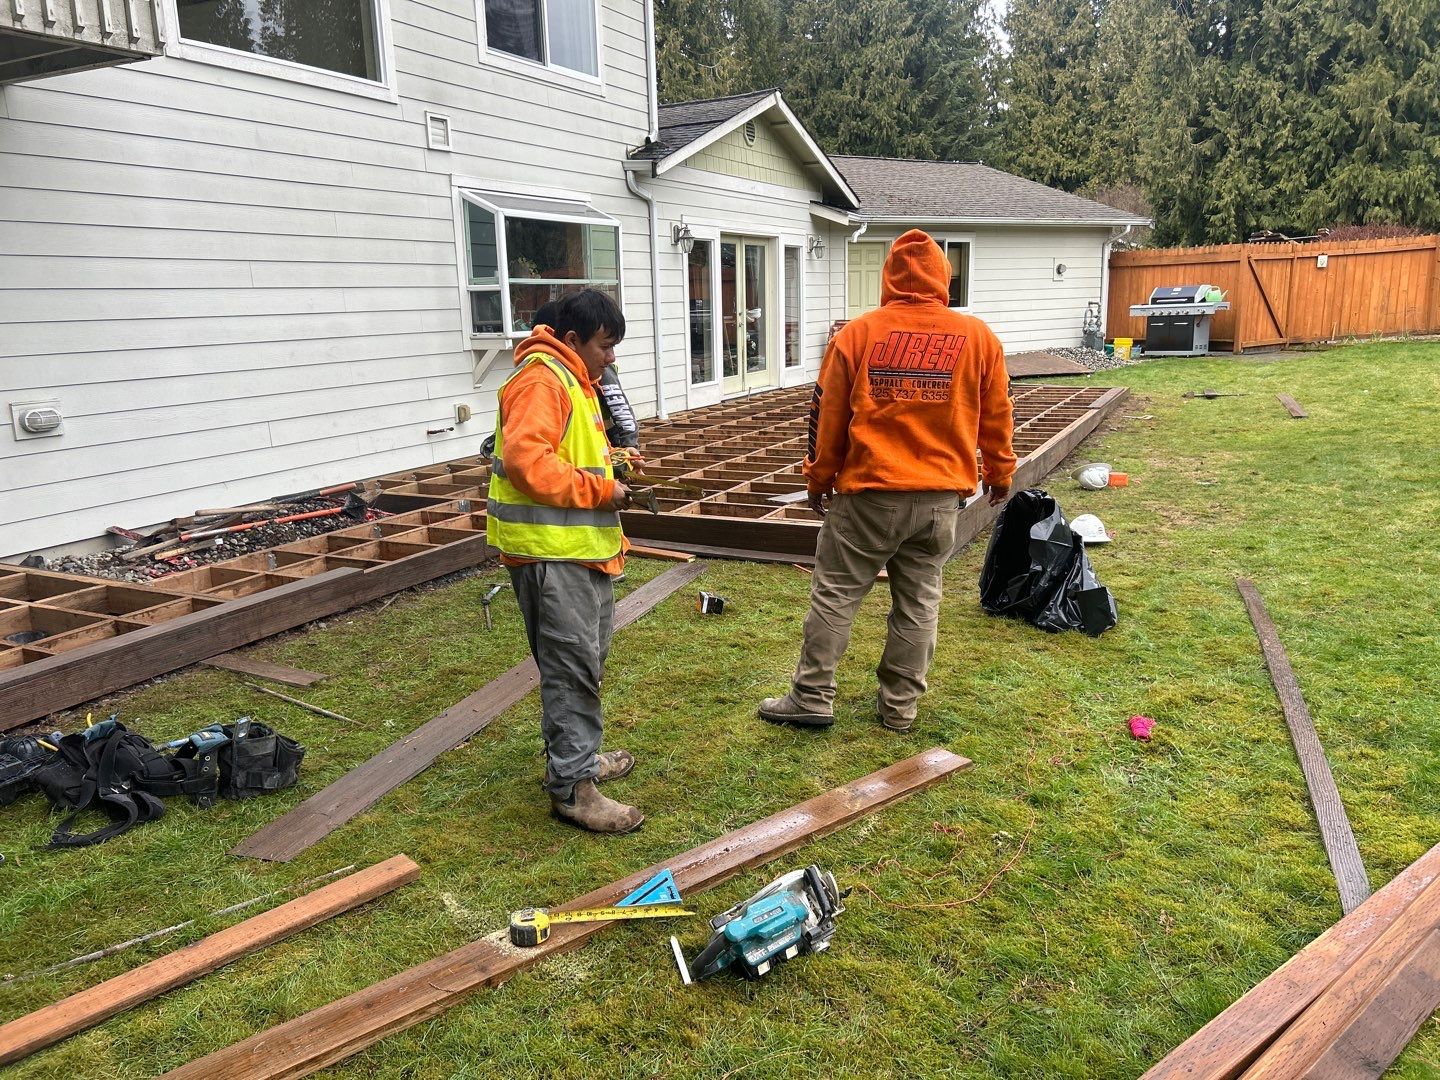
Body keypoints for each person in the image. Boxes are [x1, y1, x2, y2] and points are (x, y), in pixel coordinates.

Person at [758, 230, 1016, 733]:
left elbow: (826, 417)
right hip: (940, 497)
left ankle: (812, 696)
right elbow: (997, 415)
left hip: (869, 495)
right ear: (944, 277)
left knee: (836, 593)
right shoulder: (978, 337)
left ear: (889, 277)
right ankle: (899, 708)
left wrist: (818, 479)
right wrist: (1000, 473)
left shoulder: (858, 335)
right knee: (919, 599)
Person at [486, 288, 643, 833]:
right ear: (574, 339)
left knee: (583, 664)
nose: (612, 356)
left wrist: (613, 461)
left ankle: (574, 760)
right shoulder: (542, 380)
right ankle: (574, 789)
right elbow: (529, 464)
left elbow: (560, 453)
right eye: (606, 345)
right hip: (554, 558)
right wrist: (602, 491)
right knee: (572, 669)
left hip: (579, 555)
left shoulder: (569, 379)